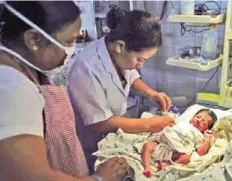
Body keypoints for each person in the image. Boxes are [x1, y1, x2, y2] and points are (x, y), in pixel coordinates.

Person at [0, 2, 127, 181]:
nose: (70, 51)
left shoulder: (15, 62)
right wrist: (99, 178)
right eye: (68, 41)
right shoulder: (7, 89)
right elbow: (30, 177)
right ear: (33, 39)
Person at [66, 8, 175, 172]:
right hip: (90, 143)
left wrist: (151, 93)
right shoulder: (86, 68)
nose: (141, 65)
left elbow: (131, 77)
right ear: (120, 46)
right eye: (140, 59)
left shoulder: (119, 54)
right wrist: (147, 124)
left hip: (114, 136)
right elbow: (99, 123)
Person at [141, 109, 218, 178]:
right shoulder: (181, 121)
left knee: (186, 158)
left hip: (176, 152)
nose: (199, 120)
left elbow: (200, 152)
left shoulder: (199, 135)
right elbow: (167, 121)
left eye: (203, 123)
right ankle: (147, 168)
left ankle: (166, 164)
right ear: (192, 117)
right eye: (198, 117)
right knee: (148, 145)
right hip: (163, 141)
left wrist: (207, 139)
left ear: (205, 129)